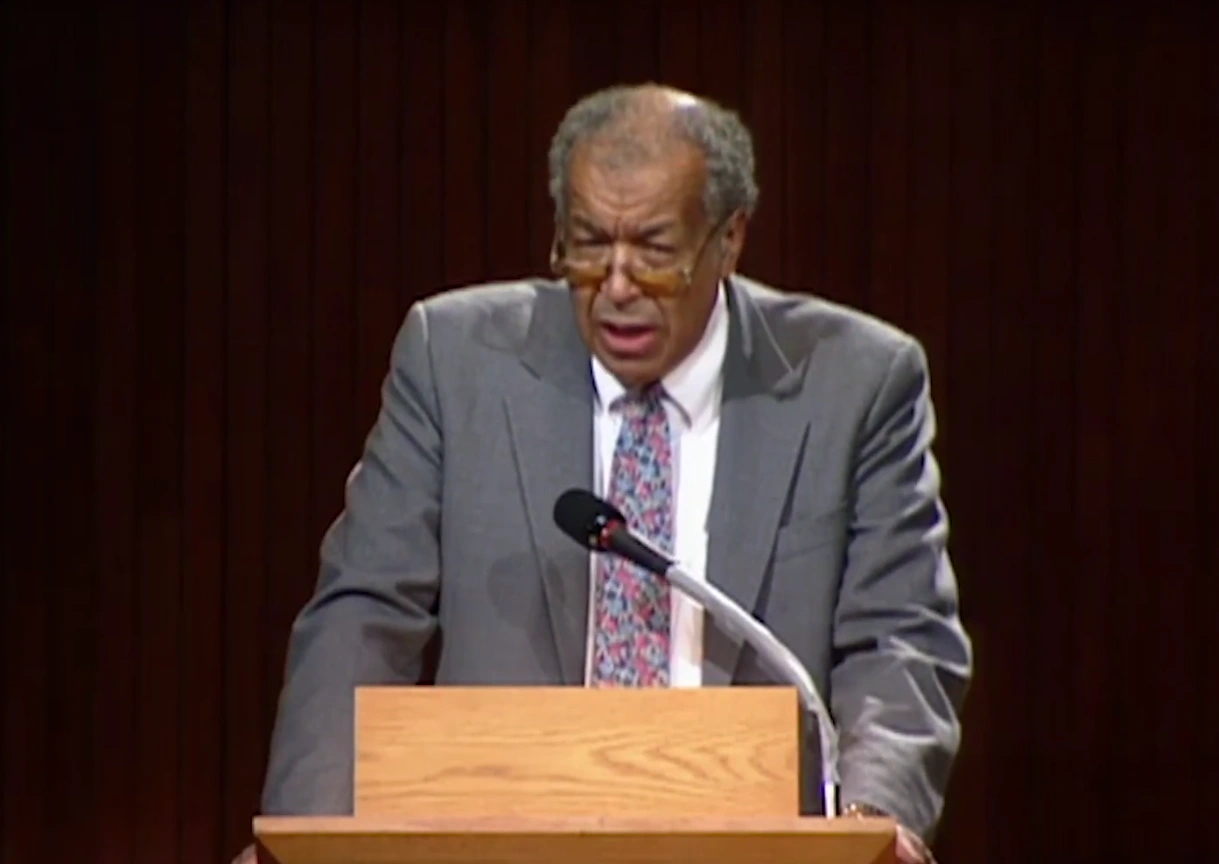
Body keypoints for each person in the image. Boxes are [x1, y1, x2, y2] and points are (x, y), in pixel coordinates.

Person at [239, 83, 972, 864]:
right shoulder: (454, 363)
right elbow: (363, 614)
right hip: (501, 839)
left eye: (654, 251)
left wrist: (868, 818)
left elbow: (899, 637)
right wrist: (304, 836)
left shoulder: (855, 382)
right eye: (587, 245)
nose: (616, 286)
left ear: (728, 240)